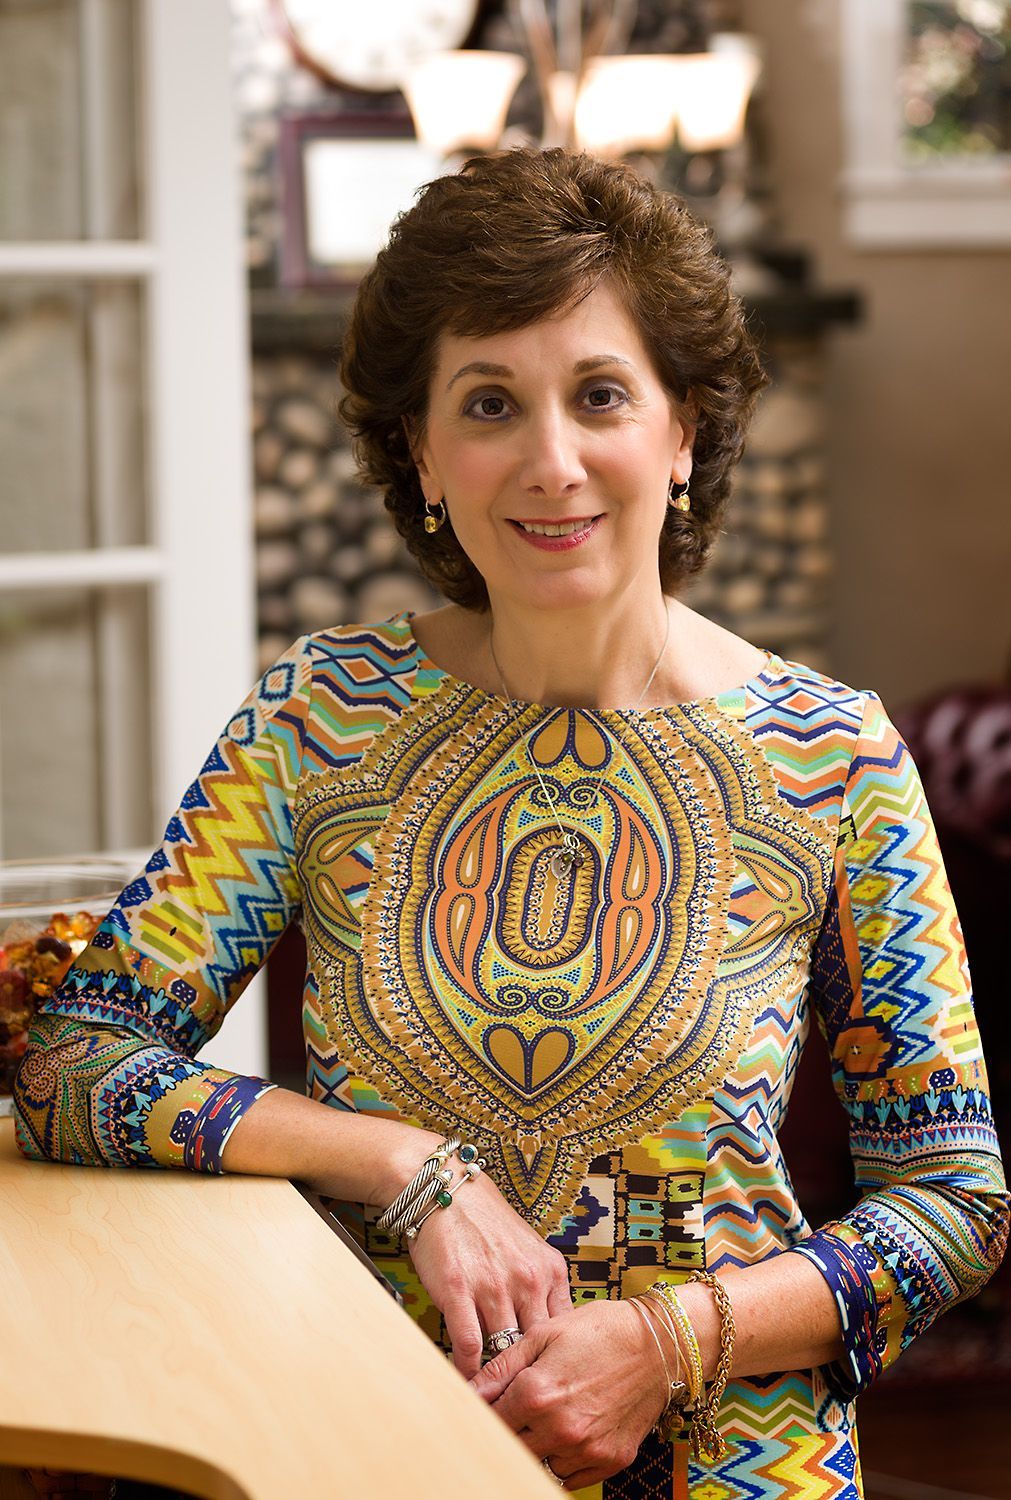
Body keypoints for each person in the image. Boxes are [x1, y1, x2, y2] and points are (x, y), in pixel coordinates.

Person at [14, 148, 1008, 1499]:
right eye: (490, 402)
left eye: (600, 395)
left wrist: (667, 1343)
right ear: (422, 451)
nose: (551, 462)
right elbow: (76, 1057)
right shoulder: (322, 718)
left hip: (730, 1464)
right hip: (366, 1443)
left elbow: (952, 1203)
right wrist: (408, 1167)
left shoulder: (835, 760)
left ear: (682, 431)